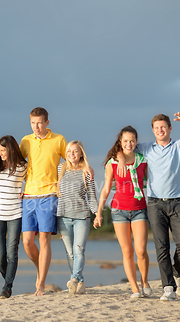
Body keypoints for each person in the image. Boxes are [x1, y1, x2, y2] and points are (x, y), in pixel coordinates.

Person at [117, 113, 180, 301]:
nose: (160, 130)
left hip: (177, 201)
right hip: (154, 203)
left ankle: (177, 270)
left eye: (163, 127)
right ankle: (168, 288)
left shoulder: (179, 146)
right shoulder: (145, 147)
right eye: (156, 128)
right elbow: (123, 146)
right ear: (153, 130)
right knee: (161, 247)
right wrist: (121, 159)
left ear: (170, 128)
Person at [19, 107, 94, 296]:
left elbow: (72, 156)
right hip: (28, 196)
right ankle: (41, 268)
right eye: (33, 123)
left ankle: (40, 285)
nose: (36, 127)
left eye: (39, 123)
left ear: (47, 123)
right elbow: (17, 162)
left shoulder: (58, 139)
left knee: (44, 239)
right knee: (27, 242)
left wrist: (87, 167)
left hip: (50, 195)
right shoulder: (26, 141)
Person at [93, 126, 151, 298]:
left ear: (136, 142)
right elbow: (105, 189)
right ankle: (134, 288)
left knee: (140, 250)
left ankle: (145, 281)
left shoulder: (143, 161)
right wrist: (99, 213)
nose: (129, 144)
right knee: (127, 251)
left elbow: (154, 180)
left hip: (139, 209)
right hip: (119, 210)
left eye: (132, 140)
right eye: (125, 141)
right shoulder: (113, 163)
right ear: (120, 141)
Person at [56, 141, 98, 295]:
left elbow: (92, 196)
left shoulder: (86, 172)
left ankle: (73, 279)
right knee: (70, 253)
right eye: (69, 152)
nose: (71, 154)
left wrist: (97, 214)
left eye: (75, 151)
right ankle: (80, 282)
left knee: (78, 250)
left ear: (81, 154)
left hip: (81, 217)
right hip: (63, 217)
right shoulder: (61, 168)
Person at [0, 135, 27, 299]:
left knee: (12, 252)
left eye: (3, 150)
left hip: (15, 213)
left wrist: (25, 192)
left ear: (11, 149)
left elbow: (32, 181)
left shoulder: (23, 167)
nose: (0, 153)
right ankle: (8, 280)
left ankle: (7, 287)